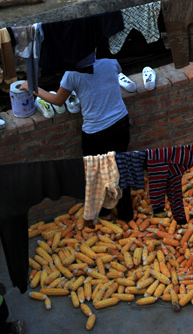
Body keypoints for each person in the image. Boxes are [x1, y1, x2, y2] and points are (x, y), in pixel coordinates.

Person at [20, 53, 133, 221]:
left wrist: (33, 88)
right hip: (121, 124)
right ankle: (126, 214)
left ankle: (105, 213)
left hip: (96, 133)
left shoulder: (72, 75)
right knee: (121, 167)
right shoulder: (111, 63)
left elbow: (58, 100)